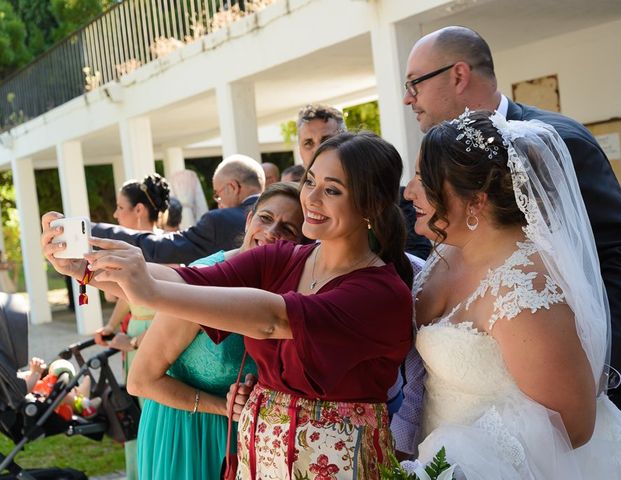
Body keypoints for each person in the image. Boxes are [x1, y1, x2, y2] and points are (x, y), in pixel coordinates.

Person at [42, 131, 414, 480]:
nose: (312, 199)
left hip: (334, 465)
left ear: (373, 204)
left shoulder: (380, 293)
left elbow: (272, 319)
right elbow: (193, 278)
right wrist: (87, 266)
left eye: (331, 190)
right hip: (257, 458)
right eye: (311, 182)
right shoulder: (283, 258)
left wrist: (148, 292)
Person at [394, 27, 621, 447]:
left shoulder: (555, 143)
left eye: (414, 82)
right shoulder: (442, 179)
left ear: (457, 75)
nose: (407, 98)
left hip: (552, 410)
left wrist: (592, 376)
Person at [128, 182, 305, 479]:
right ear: (249, 220)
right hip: (186, 434)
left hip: (255, 436)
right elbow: (140, 381)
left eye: (287, 229)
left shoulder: (295, 294)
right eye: (265, 218)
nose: (273, 231)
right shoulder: (207, 279)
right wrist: (223, 408)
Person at [94, 173, 170, 480]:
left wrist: (135, 343)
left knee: (154, 419)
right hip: (134, 340)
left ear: (139, 210)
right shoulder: (128, 251)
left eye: (120, 207)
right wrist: (112, 326)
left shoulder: (166, 252)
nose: (115, 215)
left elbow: (173, 309)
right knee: (135, 419)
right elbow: (126, 295)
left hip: (156, 340)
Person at [297, 103, 429, 260]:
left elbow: (416, 259)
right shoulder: (294, 202)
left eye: (332, 190)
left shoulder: (398, 200)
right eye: (308, 143)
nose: (318, 148)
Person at [92, 154, 265, 264]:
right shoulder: (288, 215)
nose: (219, 202)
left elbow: (157, 248)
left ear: (233, 187)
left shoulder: (219, 221)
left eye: (218, 194)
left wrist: (91, 231)